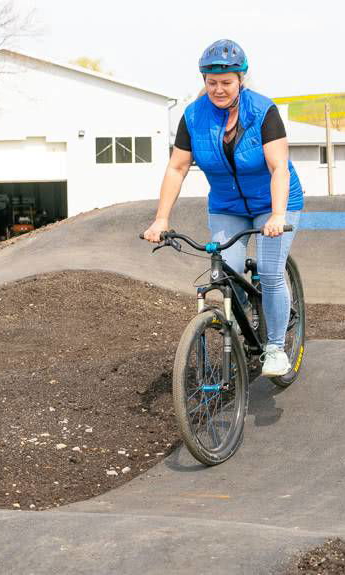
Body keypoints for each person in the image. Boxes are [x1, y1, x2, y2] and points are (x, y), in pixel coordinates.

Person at [143, 39, 304, 377]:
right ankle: (247, 322)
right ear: (203, 81)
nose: (218, 89)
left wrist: (276, 216)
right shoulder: (193, 117)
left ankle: (275, 348)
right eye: (211, 82)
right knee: (226, 275)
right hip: (227, 206)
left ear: (241, 79)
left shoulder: (263, 112)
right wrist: (161, 219)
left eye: (226, 82)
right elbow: (176, 168)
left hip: (274, 202)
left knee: (271, 272)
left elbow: (278, 168)